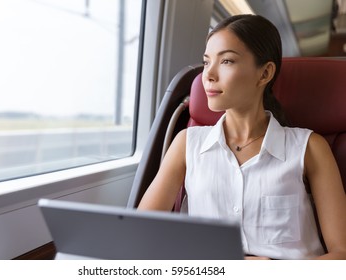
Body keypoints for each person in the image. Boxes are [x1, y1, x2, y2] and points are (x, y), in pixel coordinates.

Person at [138, 14, 346, 260]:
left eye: (226, 61)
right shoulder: (186, 144)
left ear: (265, 73)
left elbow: (341, 254)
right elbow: (140, 236)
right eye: (206, 63)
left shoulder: (310, 148)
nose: (208, 75)